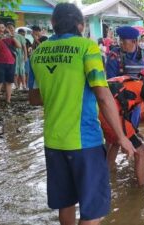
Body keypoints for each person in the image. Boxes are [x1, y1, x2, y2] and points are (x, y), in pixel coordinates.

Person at [28, 3, 136, 224]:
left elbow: (34, 98)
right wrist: (122, 137)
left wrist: (58, 89)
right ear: (81, 25)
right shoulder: (87, 48)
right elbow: (103, 96)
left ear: (53, 24)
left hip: (53, 142)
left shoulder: (37, 52)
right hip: (85, 142)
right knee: (93, 211)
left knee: (65, 203)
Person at [100, 68, 144, 186]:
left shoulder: (128, 84)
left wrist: (138, 134)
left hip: (102, 113)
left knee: (115, 142)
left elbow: (126, 117)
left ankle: (107, 177)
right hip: (112, 115)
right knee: (140, 151)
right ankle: (142, 188)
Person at [106, 26, 144, 129]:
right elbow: (110, 81)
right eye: (120, 40)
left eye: (124, 41)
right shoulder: (114, 55)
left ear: (134, 41)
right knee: (117, 133)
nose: (121, 43)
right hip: (119, 101)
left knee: (133, 130)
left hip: (136, 101)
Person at [0, 21, 21, 108]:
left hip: (11, 62)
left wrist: (12, 36)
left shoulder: (8, 38)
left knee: (9, 82)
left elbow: (19, 46)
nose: (1, 29)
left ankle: (8, 100)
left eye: (2, 27)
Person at [7, 23, 27, 90]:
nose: (10, 29)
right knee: (15, 71)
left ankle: (24, 85)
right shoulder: (6, 36)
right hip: (11, 56)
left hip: (20, 56)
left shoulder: (19, 36)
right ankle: (16, 86)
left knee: (22, 71)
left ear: (14, 28)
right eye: (8, 27)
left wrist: (25, 56)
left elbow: (24, 47)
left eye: (11, 27)